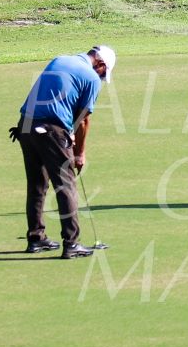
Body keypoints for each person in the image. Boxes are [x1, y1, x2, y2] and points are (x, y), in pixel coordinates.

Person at [14, 44, 114, 258]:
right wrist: (79, 153)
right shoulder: (91, 78)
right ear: (101, 65)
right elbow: (84, 119)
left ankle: (36, 239)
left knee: (37, 185)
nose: (102, 78)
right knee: (66, 186)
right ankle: (72, 243)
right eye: (104, 74)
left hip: (25, 126)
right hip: (51, 130)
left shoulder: (59, 59)